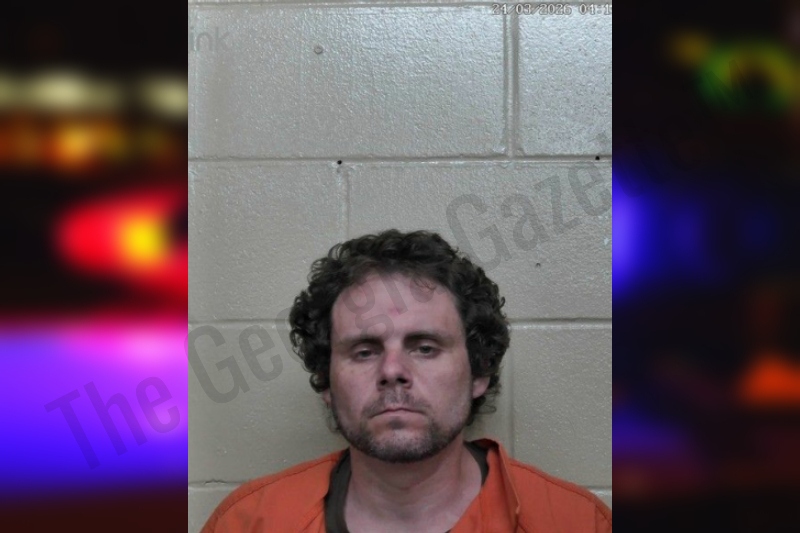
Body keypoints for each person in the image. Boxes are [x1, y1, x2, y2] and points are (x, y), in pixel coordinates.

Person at [201, 229, 611, 532]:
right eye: (364, 351)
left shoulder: (577, 523)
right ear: (326, 381)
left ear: (478, 373)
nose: (392, 370)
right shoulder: (248, 523)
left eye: (425, 348)